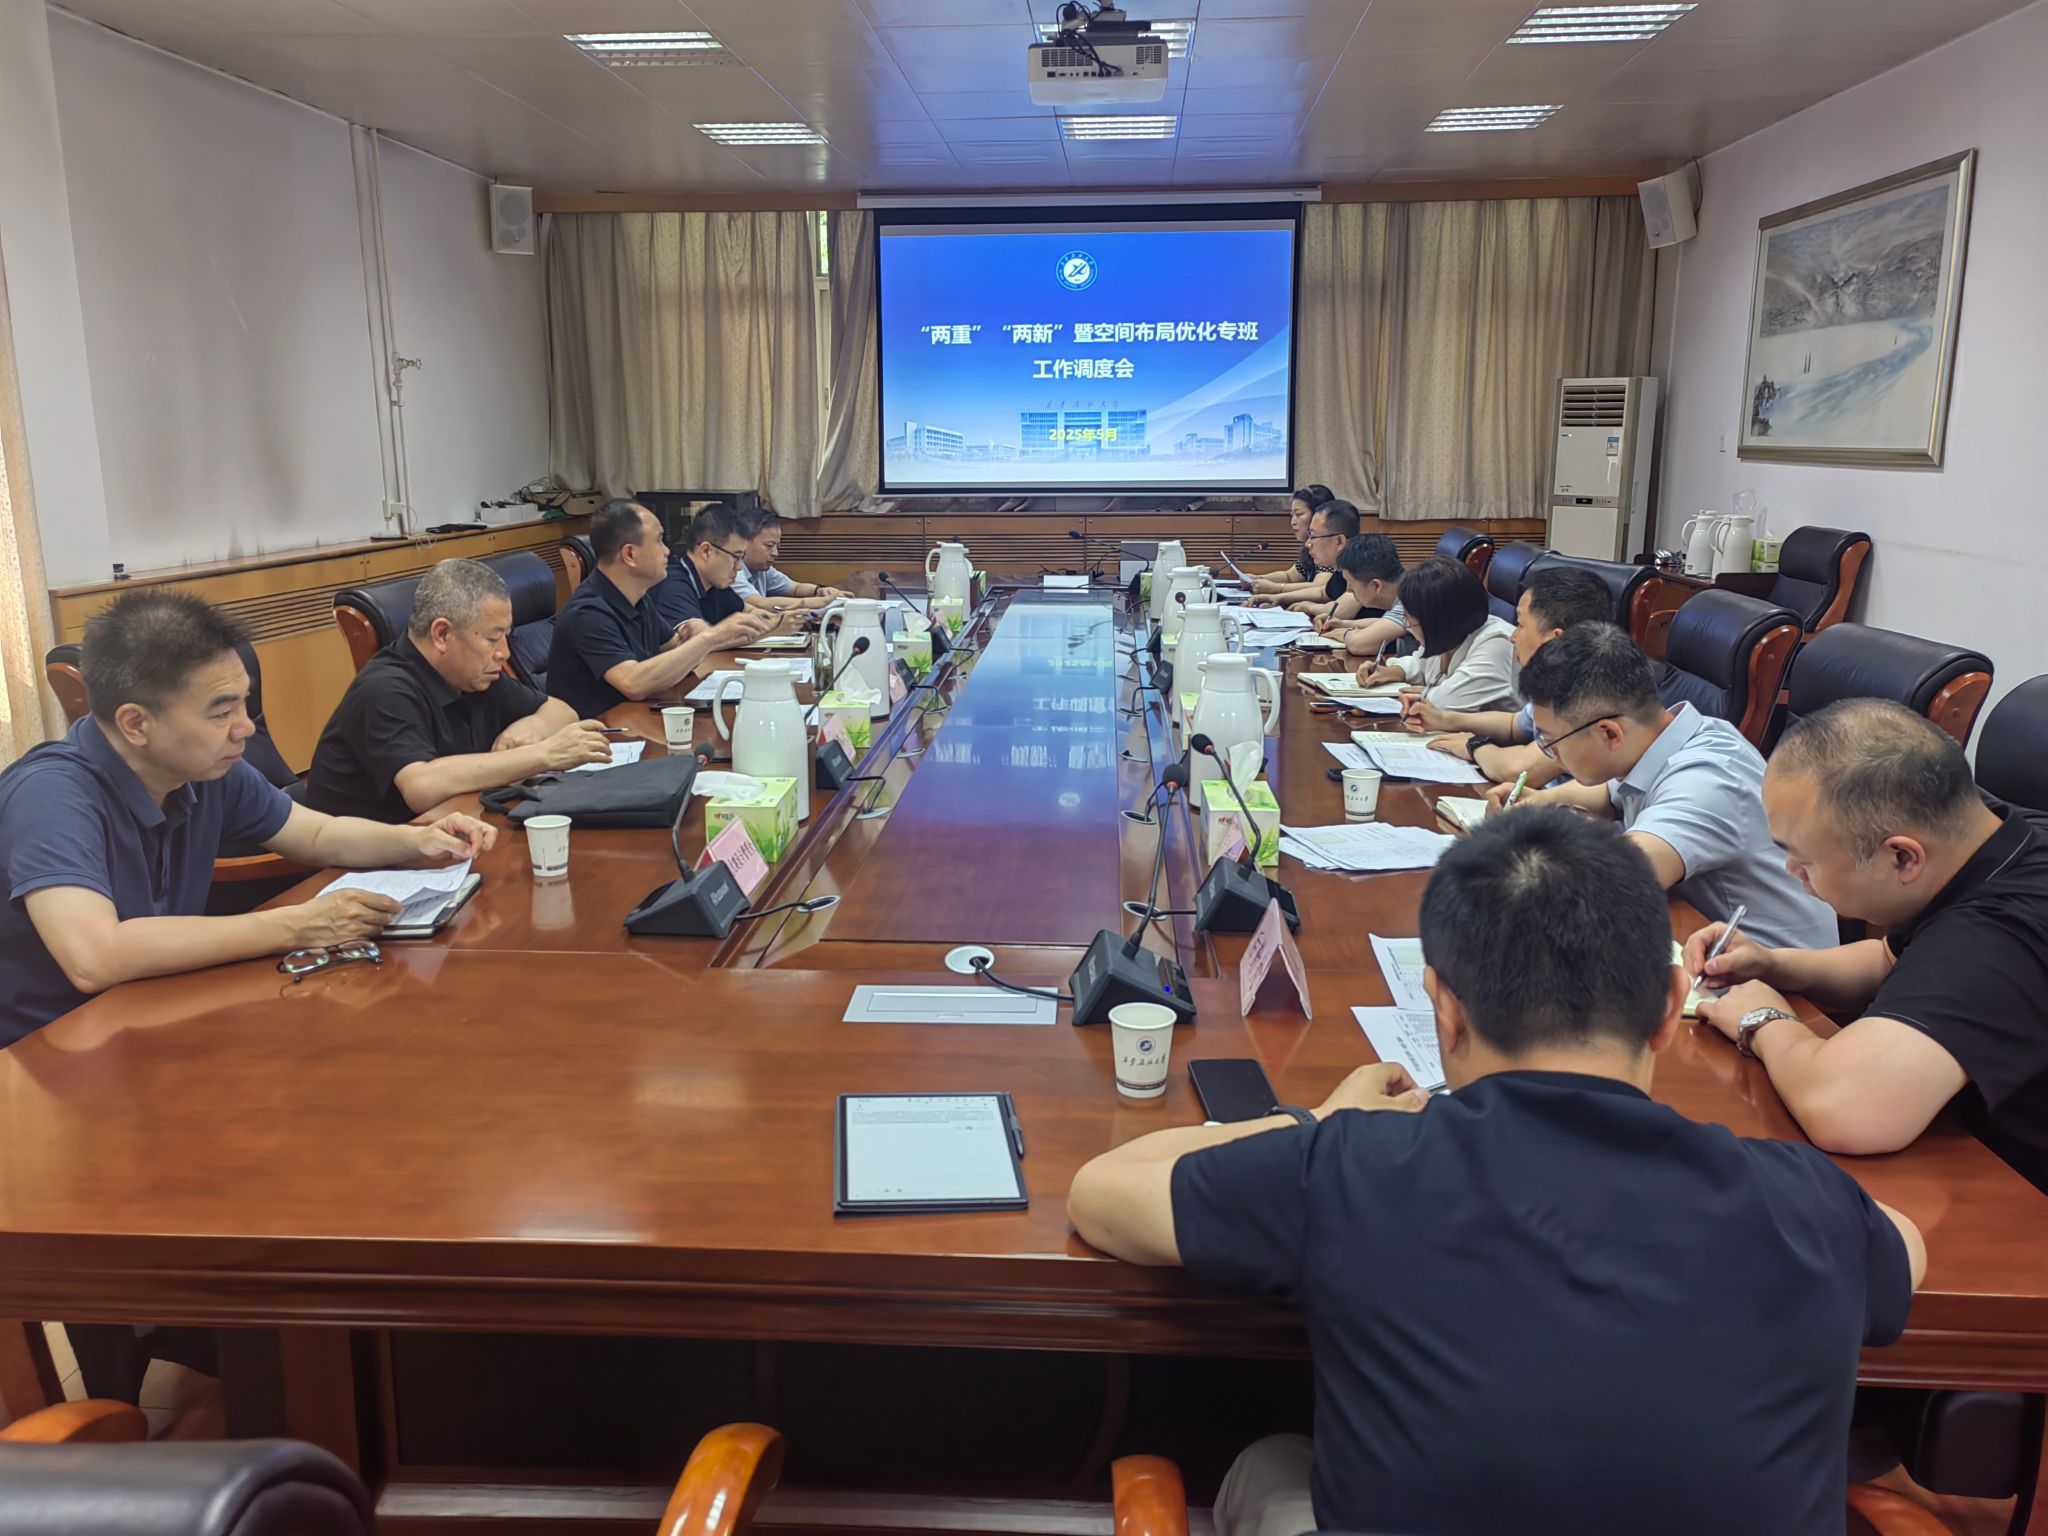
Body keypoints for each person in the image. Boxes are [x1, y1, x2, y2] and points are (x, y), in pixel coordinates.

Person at [1068, 808, 1923, 1536]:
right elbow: (1903, 1250)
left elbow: (1102, 1193)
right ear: (1670, 1008)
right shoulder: (1805, 1204)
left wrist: (1320, 1120)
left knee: (1267, 1464)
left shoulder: (1354, 1169)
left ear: (1443, 1007)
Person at [0, 589, 495, 1048]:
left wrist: (418, 839)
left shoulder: (205, 771)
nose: (245, 728)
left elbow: (317, 833)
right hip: (44, 1054)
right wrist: (299, 925)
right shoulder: (51, 795)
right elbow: (94, 957)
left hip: (154, 1011)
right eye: (222, 713)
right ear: (136, 723)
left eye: (244, 703)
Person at [1685, 699, 2048, 1194]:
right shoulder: (1992, 834)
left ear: (1902, 858)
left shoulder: (1999, 935)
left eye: (1805, 860)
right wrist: (1773, 964)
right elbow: (1892, 959)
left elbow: (1847, 1110)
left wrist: (1763, 1020)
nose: (1792, 872)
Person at [1493, 621, 1837, 951]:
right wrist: (1540, 801)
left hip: (1776, 977)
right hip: (1703, 940)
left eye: (1551, 741)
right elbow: (1611, 795)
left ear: (1609, 733)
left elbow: (1609, 884)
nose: (1550, 753)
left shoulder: (1707, 779)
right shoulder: (1668, 738)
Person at [306, 559, 612, 822]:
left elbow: (561, 711)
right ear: (442, 634)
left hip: (449, 834)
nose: (504, 652)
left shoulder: (473, 673)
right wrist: (543, 754)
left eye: (506, 636)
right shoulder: (384, 689)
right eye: (492, 638)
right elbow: (421, 786)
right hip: (368, 861)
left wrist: (533, 727)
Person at [546, 499, 773, 719]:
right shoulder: (588, 612)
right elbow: (633, 683)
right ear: (630, 554)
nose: (667, 551)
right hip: (601, 733)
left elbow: (674, 646)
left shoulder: (638, 599)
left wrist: (698, 637)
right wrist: (710, 638)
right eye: (659, 541)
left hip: (638, 717)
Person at [1415, 563, 1615, 783]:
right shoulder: (1557, 682)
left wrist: (1474, 746)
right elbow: (1514, 725)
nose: (1513, 637)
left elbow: (1518, 770)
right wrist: (1445, 719)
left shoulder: (1590, 699)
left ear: (1555, 639)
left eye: (1520, 625)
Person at [1353, 555, 1516, 714]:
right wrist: (1393, 671)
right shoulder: (1451, 633)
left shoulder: (1498, 643)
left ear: (1435, 621)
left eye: (1411, 621)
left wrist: (1428, 693)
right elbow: (1421, 662)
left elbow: (1446, 702)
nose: (1408, 626)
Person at [652, 503, 789, 634]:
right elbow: (700, 638)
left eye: (742, 558)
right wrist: (770, 627)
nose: (739, 567)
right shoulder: (673, 585)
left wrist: (782, 620)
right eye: (736, 557)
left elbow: (750, 611)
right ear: (706, 551)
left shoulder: (714, 584)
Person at [731, 509, 844, 613]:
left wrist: (820, 590)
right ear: (744, 542)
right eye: (769, 545)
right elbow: (760, 604)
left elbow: (795, 588)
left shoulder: (762, 569)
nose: (775, 553)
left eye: (777, 546)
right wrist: (818, 602)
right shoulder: (733, 571)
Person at [1248, 486, 1332, 594]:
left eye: (1299, 514)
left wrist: (1276, 588)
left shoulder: (1329, 549)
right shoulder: (1309, 549)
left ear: (1318, 515)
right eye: (1292, 515)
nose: (1293, 522)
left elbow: (1319, 587)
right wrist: (1257, 579)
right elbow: (1289, 577)